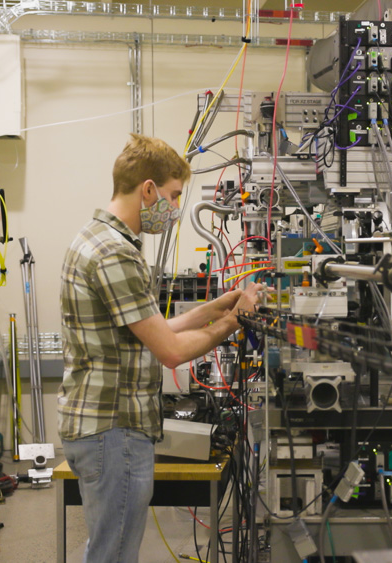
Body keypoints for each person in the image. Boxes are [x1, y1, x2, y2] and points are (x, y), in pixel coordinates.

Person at [58, 134, 262, 562]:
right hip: (114, 430)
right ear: (147, 189)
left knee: (108, 549)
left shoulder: (96, 239)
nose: (173, 208)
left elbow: (151, 329)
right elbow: (169, 350)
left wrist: (217, 306)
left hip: (101, 426)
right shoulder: (115, 253)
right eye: (172, 196)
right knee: (113, 554)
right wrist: (234, 321)